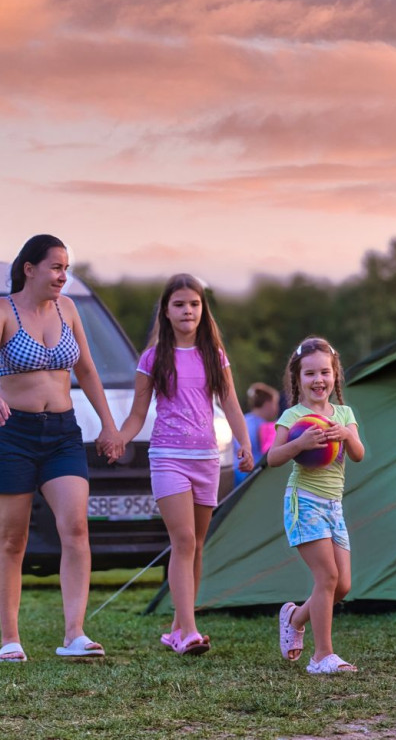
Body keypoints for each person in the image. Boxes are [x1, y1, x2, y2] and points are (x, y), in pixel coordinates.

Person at [0, 234, 123, 662]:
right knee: (12, 539)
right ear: (30, 268)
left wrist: (109, 425)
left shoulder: (68, 309)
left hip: (63, 434)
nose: (63, 276)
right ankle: (9, 638)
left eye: (66, 268)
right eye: (55, 267)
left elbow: (86, 369)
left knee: (76, 528)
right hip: (12, 434)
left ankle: (75, 634)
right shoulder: (3, 311)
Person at [118, 273, 253, 656]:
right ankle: (188, 632)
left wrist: (244, 443)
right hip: (168, 459)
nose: (187, 310)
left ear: (202, 309)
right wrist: (118, 439)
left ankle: (179, 625)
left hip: (206, 459)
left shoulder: (214, 355)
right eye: (179, 304)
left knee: (195, 546)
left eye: (194, 304)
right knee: (183, 540)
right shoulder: (153, 358)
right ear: (166, 310)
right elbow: (136, 416)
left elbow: (230, 404)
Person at [268, 336, 365, 675]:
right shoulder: (292, 416)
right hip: (303, 502)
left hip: (333, 506)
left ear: (335, 376)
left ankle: (294, 618)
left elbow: (358, 453)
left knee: (342, 585)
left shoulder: (344, 414)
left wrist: (347, 435)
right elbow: (273, 457)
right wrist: (300, 443)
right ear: (298, 379)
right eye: (310, 374)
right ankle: (322, 656)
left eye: (325, 372)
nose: (318, 380)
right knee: (327, 576)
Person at [233, 382, 280, 486]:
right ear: (268, 404)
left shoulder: (243, 421)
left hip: (237, 475)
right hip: (255, 477)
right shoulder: (266, 427)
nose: (277, 408)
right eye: (275, 403)